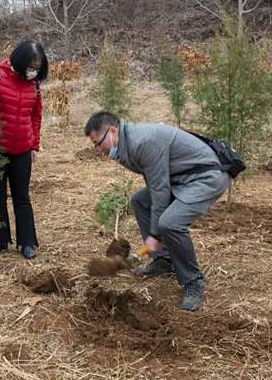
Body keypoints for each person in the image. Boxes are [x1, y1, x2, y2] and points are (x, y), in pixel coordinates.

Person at [84, 111, 230, 311]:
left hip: (205, 177)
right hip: (180, 179)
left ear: (112, 131)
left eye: (99, 143)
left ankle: (193, 281)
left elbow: (160, 188)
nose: (98, 149)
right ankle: (164, 260)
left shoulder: (142, 141)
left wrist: (155, 234)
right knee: (140, 202)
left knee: (170, 223)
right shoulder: (124, 144)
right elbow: (153, 182)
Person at [0, 41, 47, 259]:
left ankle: (28, 242)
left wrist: (34, 144)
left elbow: (36, 116)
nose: (34, 72)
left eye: (38, 68)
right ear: (19, 61)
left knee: (22, 197)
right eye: (31, 67)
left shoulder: (34, 86)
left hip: (22, 150)